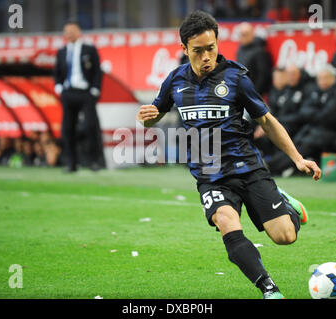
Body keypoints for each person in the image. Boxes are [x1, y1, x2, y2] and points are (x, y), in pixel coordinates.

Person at [136, 11, 321, 299]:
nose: (206, 56)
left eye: (211, 48)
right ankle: (269, 289)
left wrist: (297, 158)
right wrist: (147, 118)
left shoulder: (236, 77)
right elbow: (154, 115)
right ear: (184, 50)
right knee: (226, 221)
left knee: (285, 236)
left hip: (246, 165)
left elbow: (267, 121)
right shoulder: (175, 81)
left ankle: (287, 205)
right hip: (209, 174)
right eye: (198, 51)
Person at [267, 64, 336, 176]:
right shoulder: (316, 92)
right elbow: (304, 111)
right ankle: (272, 165)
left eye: (325, 78)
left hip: (331, 131)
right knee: (295, 143)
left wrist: (313, 114)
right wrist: (316, 114)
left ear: (333, 79)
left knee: (304, 146)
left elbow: (326, 116)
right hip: (312, 128)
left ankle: (271, 167)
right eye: (320, 78)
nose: (322, 81)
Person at [54, 20, 105, 173]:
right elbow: (57, 72)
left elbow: (97, 71)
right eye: (66, 31)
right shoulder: (62, 51)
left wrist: (95, 89)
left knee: (90, 126)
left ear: (79, 32)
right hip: (68, 92)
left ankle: (94, 161)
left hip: (85, 92)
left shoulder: (89, 49)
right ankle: (71, 163)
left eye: (71, 30)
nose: (69, 34)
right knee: (68, 129)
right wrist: (58, 86)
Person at [236, 22, 273, 96]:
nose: (243, 37)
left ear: (252, 34)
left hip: (255, 94)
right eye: (241, 34)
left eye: (246, 34)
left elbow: (264, 75)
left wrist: (255, 93)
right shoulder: (240, 50)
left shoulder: (260, 51)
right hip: (243, 92)